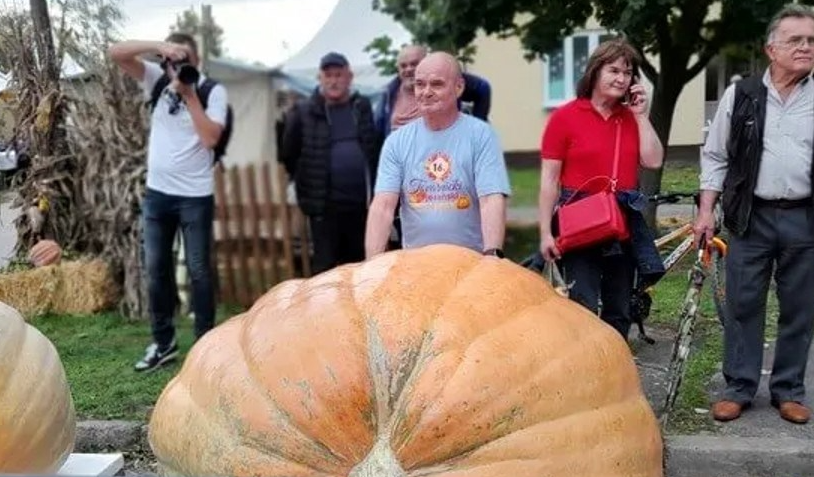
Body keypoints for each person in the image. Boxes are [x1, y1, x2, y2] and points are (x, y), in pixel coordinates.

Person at [695, 3, 814, 424]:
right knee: (743, 304)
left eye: (812, 40)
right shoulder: (742, 95)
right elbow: (715, 156)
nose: (806, 47)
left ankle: (789, 390)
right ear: (772, 48)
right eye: (796, 40)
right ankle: (739, 387)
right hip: (752, 216)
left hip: (808, 220)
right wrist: (705, 211)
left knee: (799, 308)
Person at [109, 32, 228, 372]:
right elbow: (115, 52)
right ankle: (164, 344)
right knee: (156, 270)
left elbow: (209, 139)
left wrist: (189, 96)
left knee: (199, 271)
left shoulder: (210, 91)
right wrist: (158, 47)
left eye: (187, 59)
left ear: (198, 60)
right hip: (158, 194)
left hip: (195, 196)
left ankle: (205, 345)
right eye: (176, 60)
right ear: (167, 61)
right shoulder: (157, 79)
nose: (181, 65)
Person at [536, 38, 666, 339]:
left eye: (627, 72)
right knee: (581, 302)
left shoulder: (630, 119)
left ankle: (614, 370)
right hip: (579, 218)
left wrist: (641, 117)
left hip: (621, 219)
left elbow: (653, 159)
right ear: (595, 71)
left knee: (619, 305)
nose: (621, 78)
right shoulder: (565, 117)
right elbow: (549, 180)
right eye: (614, 70)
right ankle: (585, 371)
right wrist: (545, 231)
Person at [364, 52, 510, 258]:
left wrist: (492, 254)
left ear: (458, 88)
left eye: (437, 84)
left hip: (471, 262)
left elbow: (491, 199)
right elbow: (383, 206)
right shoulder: (396, 142)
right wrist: (372, 263)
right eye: (420, 84)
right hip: (416, 264)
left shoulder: (481, 135)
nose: (426, 92)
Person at [280, 52, 382, 274]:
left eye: (339, 75)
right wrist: (307, 186)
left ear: (349, 77)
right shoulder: (304, 111)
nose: (334, 81)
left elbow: (373, 147)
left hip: (360, 205)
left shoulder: (361, 107)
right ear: (320, 78)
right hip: (324, 208)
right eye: (328, 76)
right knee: (325, 269)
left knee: (359, 267)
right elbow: (289, 153)